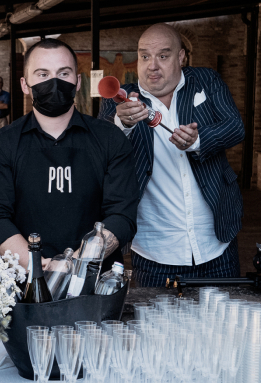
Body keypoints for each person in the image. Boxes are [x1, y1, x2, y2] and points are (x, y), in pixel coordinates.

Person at [0, 39, 139, 281]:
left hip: (94, 283)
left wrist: (74, 264)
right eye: (42, 74)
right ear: (25, 84)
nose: (54, 82)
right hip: (23, 283)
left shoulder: (109, 139)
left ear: (78, 82)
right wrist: (36, 266)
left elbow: (122, 215)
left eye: (63, 73)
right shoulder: (3, 143)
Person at [98, 24, 244, 287]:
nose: (152, 66)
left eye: (163, 56)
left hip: (216, 243)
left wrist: (198, 140)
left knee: (224, 324)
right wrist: (124, 126)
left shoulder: (206, 81)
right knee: (158, 327)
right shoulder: (120, 102)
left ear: (181, 57)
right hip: (155, 252)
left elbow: (235, 127)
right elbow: (100, 155)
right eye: (144, 56)